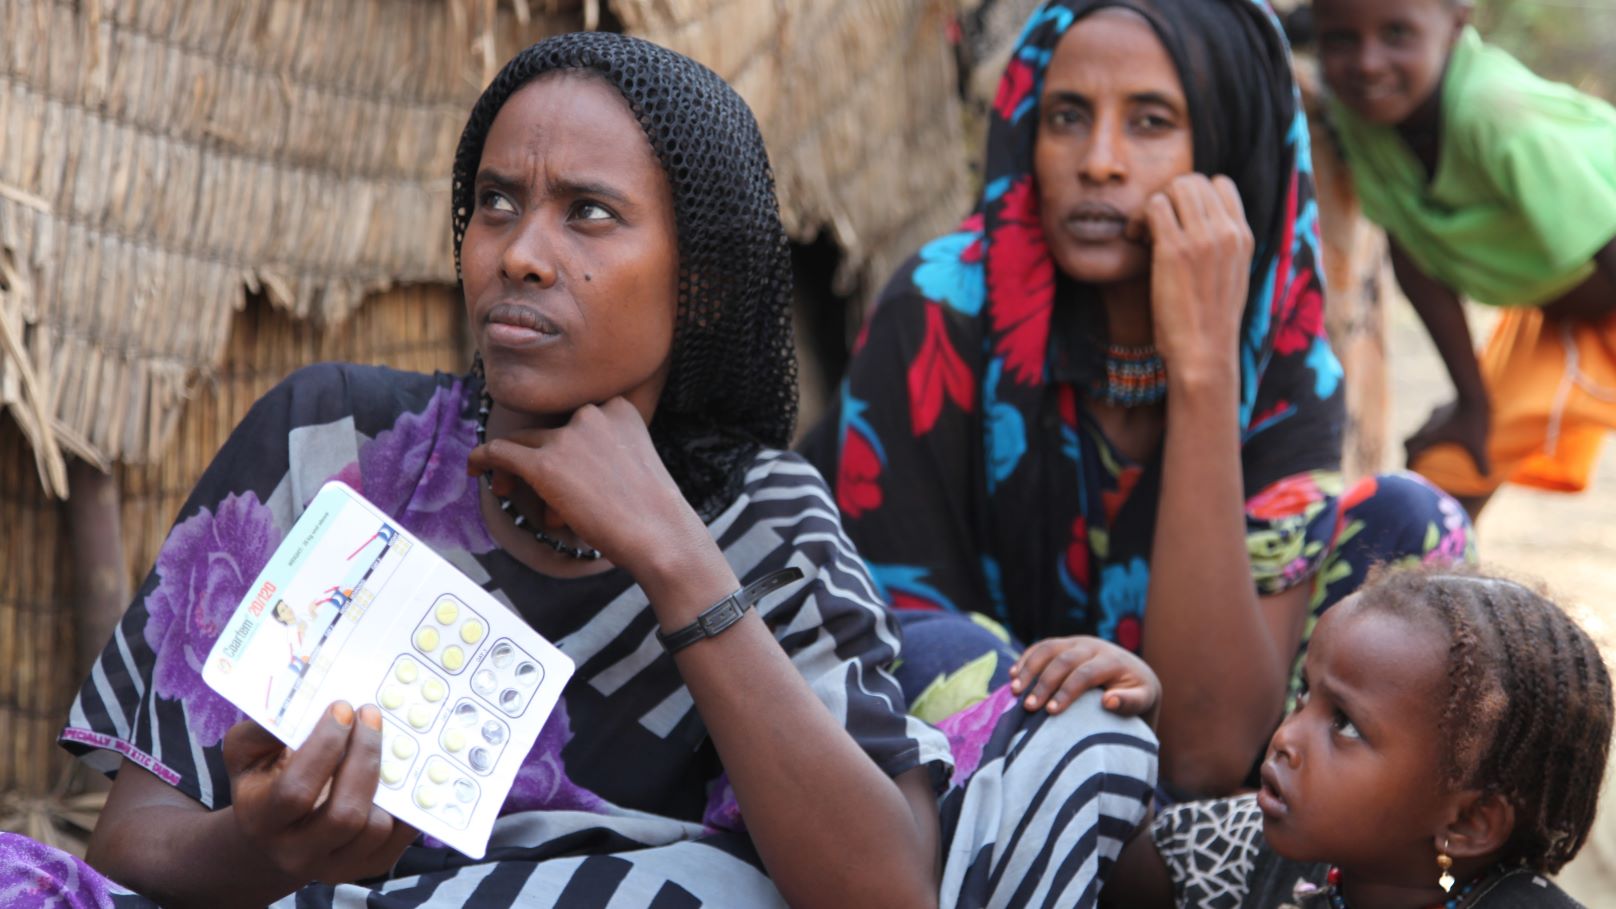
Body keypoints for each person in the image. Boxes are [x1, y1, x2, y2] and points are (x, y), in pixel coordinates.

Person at [0, 32, 1157, 909]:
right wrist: (270, 842)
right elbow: (130, 844)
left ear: (698, 280)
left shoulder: (761, 521)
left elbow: (886, 889)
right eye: (495, 203)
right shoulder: (328, 446)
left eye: (587, 214)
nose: (519, 252)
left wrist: (673, 558)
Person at [801, 0, 1472, 798]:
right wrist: (1089, 710)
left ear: (1230, 142)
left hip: (1205, 767)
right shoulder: (940, 309)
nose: (1100, 161)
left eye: (1151, 121)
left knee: (1411, 525)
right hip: (988, 756)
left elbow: (1212, 748)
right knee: (938, 648)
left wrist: (1203, 370)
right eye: (1067, 117)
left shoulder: (1284, 360)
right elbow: (894, 632)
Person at [1100, 565, 1613, 908]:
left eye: (1344, 723)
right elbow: (1116, 884)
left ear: (1467, 822)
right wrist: (1133, 726)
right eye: (1303, 695)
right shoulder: (1250, 843)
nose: (1286, 737)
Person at [1311, 0, 1616, 520]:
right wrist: (1472, 403)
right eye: (1341, 39)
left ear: (1457, 20)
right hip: (1559, 309)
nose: (1367, 63)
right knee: (1449, 468)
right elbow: (1412, 256)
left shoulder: (1495, 111)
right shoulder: (1363, 115)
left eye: (1397, 33)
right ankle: (1439, 599)